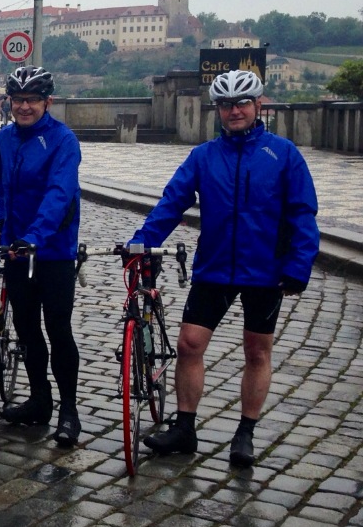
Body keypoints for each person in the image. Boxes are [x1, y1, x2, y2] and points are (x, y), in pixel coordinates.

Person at [133, 69, 318, 467]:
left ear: (258, 106)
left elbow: (303, 213)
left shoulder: (284, 154)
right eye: (226, 105)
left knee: (256, 352)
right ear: (217, 110)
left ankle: (245, 432)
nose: (234, 111)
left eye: (242, 103)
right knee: (189, 345)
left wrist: (299, 264)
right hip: (214, 267)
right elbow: (172, 202)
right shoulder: (204, 156)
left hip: (266, 270)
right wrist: (142, 241)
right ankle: (184, 427)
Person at [0, 66, 84, 447]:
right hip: (17, 249)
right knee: (26, 329)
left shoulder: (63, 141)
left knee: (57, 329)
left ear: (48, 102)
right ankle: (39, 400)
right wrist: (3, 226)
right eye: (18, 100)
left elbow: (60, 195)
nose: (24, 106)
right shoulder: (5, 139)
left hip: (54, 250)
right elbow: (2, 185)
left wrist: (34, 237)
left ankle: (69, 409)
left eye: (31, 100)